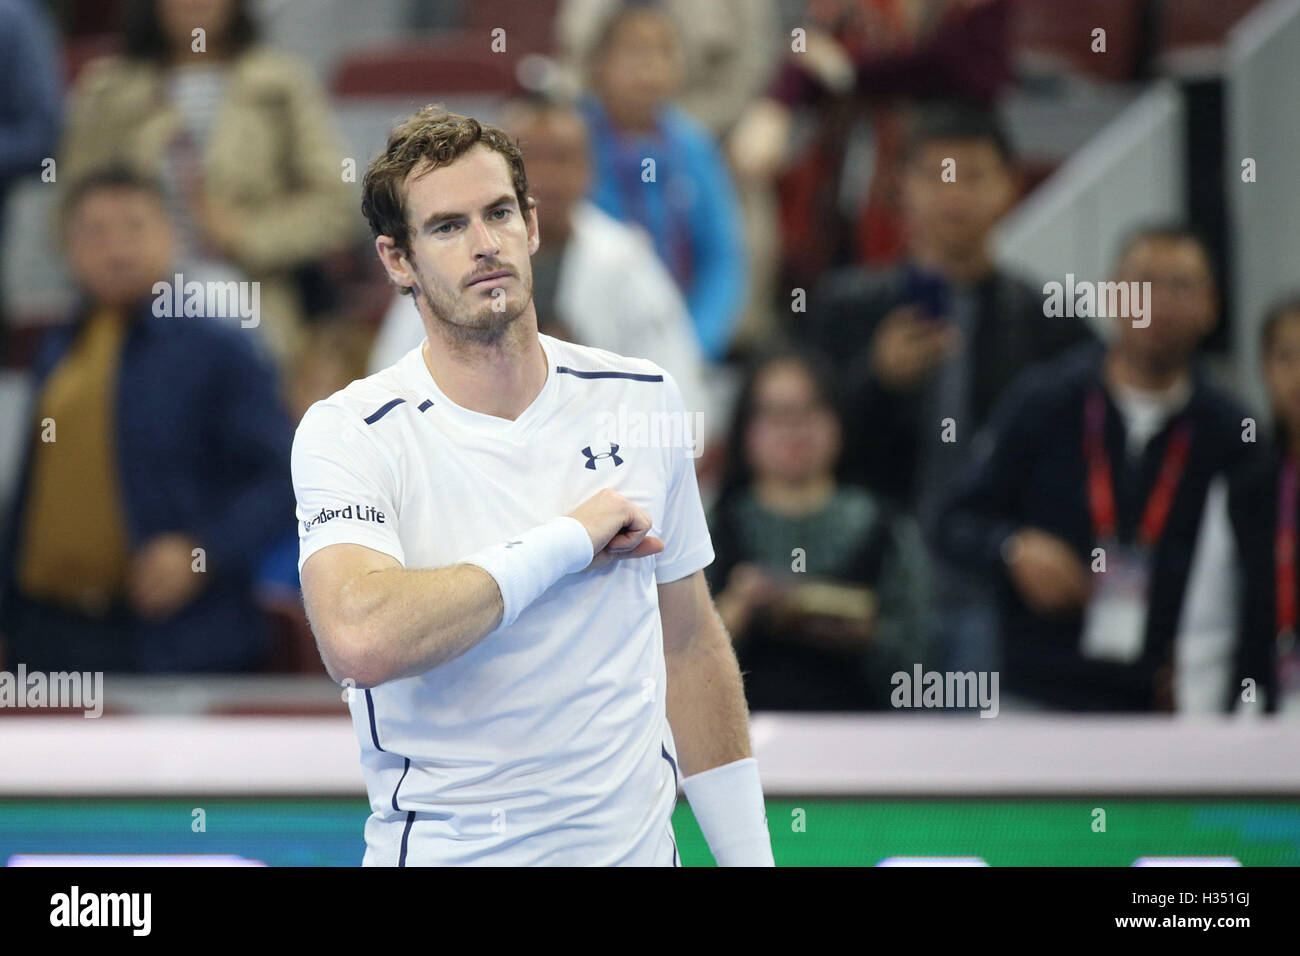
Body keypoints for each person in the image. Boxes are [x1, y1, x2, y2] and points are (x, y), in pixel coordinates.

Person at [293, 106, 773, 866]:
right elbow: (360, 638)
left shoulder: (643, 398)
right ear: (396, 260)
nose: (485, 244)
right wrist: (565, 541)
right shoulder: (350, 431)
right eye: (447, 227)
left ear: (534, 225)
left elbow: (687, 641)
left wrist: (751, 862)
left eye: (499, 213)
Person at [811, 103, 1094, 679]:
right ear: (900, 191)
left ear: (1010, 188)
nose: (953, 195)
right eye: (936, 175)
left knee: (987, 761)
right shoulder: (846, 307)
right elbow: (793, 442)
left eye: (973, 175)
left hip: (999, 588)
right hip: (868, 581)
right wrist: (874, 380)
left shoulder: (1052, 324)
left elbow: (1079, 461)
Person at [933, 224, 1258, 712]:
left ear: (1212, 306)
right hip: (1036, 696)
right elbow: (951, 519)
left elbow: (1257, 572)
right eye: (1144, 282)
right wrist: (1012, 548)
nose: (1159, 303)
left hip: (1169, 704)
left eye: (1181, 287)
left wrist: (1218, 666)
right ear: (1110, 293)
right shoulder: (1044, 401)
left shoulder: (1232, 432)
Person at [0, 166, 295, 673]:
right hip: (47, 634)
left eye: (134, 227)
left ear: (170, 235)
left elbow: (282, 480)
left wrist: (201, 552)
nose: (116, 248)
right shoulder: (60, 348)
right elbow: (34, 489)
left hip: (171, 640)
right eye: (96, 232)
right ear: (68, 248)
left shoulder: (218, 349)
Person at [368, 95, 713, 443]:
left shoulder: (623, 259)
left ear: (589, 168)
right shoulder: (442, 269)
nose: (546, 178)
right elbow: (393, 386)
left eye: (562, 159)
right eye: (533, 159)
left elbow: (679, 399)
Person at [58, 0, 353, 364]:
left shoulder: (281, 84)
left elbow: (335, 202)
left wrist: (246, 234)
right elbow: (70, 210)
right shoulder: (105, 91)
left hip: (253, 296)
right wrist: (118, 253)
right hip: (131, 300)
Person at [706, 349, 932, 711]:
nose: (795, 430)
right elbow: (681, 665)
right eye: (777, 414)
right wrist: (739, 607)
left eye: (810, 411)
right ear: (745, 427)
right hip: (745, 742)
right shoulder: (709, 529)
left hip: (865, 741)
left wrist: (867, 635)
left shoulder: (887, 531)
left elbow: (918, 665)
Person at [577, 1, 749, 361]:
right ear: (598, 65)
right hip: (588, 345)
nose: (651, 68)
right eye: (636, 52)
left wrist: (694, 346)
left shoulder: (694, 147)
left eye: (664, 53)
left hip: (681, 345)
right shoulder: (573, 143)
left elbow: (722, 258)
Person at [1222, 296, 1300, 716]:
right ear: (1265, 370)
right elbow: (1212, 619)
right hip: (1267, 711)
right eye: (1287, 357)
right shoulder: (1249, 485)